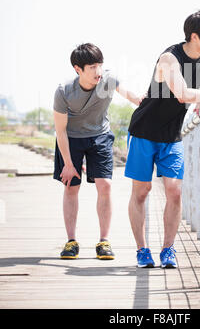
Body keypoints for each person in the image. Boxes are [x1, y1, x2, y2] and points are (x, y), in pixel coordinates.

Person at [125, 10, 200, 268]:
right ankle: (142, 250)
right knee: (141, 192)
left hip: (172, 135)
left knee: (175, 192)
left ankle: (168, 249)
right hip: (144, 131)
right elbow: (181, 94)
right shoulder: (169, 58)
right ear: (194, 36)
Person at [53, 43, 142, 260]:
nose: (98, 72)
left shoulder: (108, 80)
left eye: (100, 65)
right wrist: (67, 163)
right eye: (92, 67)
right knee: (71, 186)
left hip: (100, 136)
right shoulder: (64, 91)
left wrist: (153, 101)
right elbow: (60, 130)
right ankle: (71, 241)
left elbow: (133, 96)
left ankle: (103, 241)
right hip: (71, 139)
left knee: (105, 185)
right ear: (78, 69)